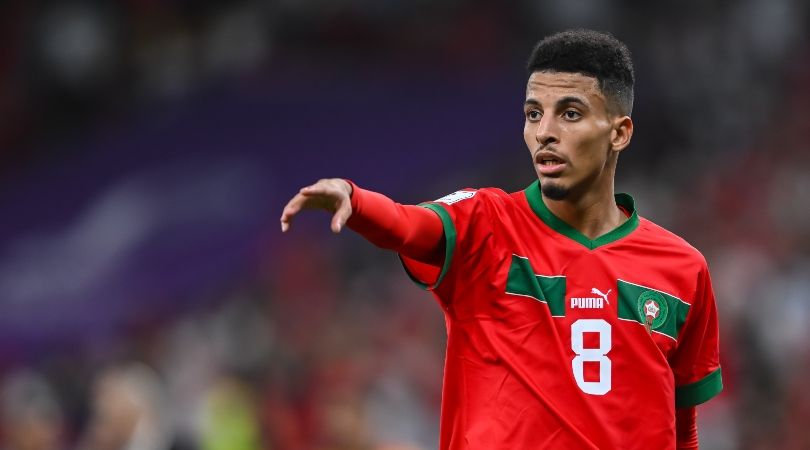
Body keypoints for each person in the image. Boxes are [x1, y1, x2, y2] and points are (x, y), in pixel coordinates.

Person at [280, 29, 722, 449]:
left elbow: (681, 429)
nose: (545, 131)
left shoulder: (682, 268)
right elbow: (408, 225)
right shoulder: (485, 223)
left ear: (619, 132)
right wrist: (355, 201)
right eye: (534, 113)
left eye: (569, 113)